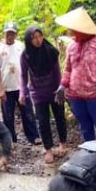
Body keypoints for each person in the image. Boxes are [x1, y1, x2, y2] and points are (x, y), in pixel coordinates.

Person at [55, 7, 96, 142]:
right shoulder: (72, 46)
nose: (69, 30)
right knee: (85, 127)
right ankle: (92, 154)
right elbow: (68, 69)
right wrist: (63, 85)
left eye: (72, 28)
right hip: (76, 95)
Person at [20, 26, 67, 164]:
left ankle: (63, 143)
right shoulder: (25, 55)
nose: (38, 40)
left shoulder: (50, 51)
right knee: (42, 121)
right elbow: (23, 75)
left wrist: (60, 88)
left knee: (60, 117)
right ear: (29, 40)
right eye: (34, 37)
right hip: (38, 93)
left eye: (39, 36)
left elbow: (57, 71)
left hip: (54, 90)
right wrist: (23, 92)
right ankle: (48, 149)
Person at [0, 22, 40, 145]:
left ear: (16, 34)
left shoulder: (21, 46)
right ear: (4, 33)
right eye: (8, 33)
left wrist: (30, 83)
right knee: (8, 116)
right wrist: (0, 89)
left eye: (12, 33)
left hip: (22, 86)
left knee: (28, 112)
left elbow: (28, 65)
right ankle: (10, 139)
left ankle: (33, 136)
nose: (10, 35)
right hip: (6, 87)